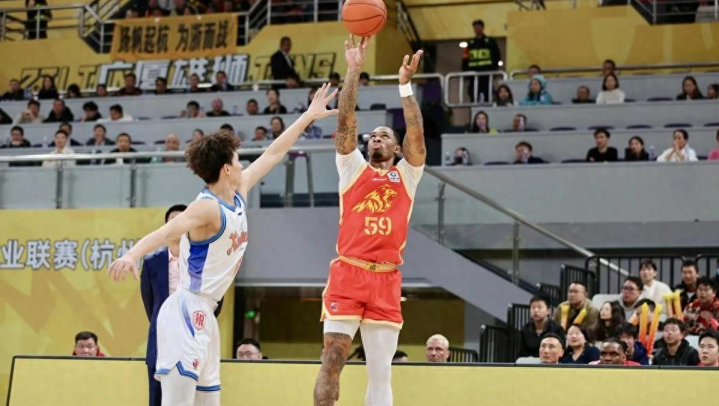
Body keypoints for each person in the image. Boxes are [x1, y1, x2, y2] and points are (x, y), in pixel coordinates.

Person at [108, 83, 338, 406]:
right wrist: (132, 255)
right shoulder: (206, 207)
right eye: (238, 159)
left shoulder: (239, 191)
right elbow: (167, 231)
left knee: (209, 402)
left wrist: (308, 116)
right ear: (227, 168)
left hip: (207, 312)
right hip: (185, 311)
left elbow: (274, 153)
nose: (243, 164)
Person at [314, 37, 425, 406]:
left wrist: (405, 87)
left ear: (397, 148)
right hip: (348, 272)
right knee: (333, 357)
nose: (376, 138)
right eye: (372, 135)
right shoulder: (352, 168)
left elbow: (416, 132)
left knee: (381, 371)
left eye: (384, 135)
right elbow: (345, 119)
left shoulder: (407, 174)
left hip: (386, 277)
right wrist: (354, 70)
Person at [141, 204, 217, 406]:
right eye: (173, 221)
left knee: (194, 397)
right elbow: (150, 303)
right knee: (157, 398)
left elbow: (213, 302)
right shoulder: (151, 262)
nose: (178, 225)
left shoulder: (203, 260)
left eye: (183, 220)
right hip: (162, 338)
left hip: (194, 338)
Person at [462, 20, 501, 102]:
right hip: (473, 75)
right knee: (473, 95)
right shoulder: (470, 43)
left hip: (486, 74)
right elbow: (465, 58)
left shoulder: (490, 42)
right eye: (475, 27)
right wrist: (464, 72)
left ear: (482, 27)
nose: (476, 29)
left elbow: (496, 57)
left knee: (488, 94)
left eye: (478, 26)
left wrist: (494, 70)